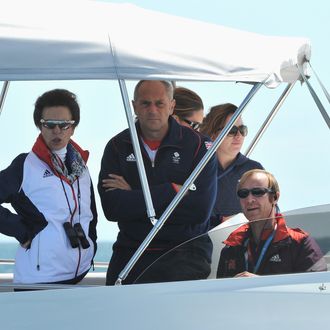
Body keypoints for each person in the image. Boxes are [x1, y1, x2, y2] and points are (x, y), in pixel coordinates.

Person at [98, 80, 217, 285]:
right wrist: (172, 190)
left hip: (185, 251)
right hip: (132, 249)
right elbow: (113, 208)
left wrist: (133, 194)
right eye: (145, 103)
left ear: (171, 106)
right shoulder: (118, 146)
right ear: (134, 106)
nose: (152, 110)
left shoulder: (199, 146)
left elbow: (199, 210)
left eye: (159, 103)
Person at [0, 89, 97, 284]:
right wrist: (22, 231)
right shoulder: (25, 166)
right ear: (39, 126)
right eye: (49, 124)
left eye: (64, 124)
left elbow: (89, 214)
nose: (57, 131)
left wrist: (92, 241)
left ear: (73, 127)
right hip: (39, 279)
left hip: (79, 273)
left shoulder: (81, 167)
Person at [217, 169, 327, 278]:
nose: (249, 199)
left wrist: (261, 284)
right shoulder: (231, 248)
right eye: (243, 194)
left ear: (275, 197)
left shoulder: (300, 243)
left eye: (258, 192)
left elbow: (317, 289)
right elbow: (217, 293)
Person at [200, 103, 263, 227]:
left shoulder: (254, 171)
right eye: (232, 130)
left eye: (242, 130)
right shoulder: (197, 169)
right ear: (213, 134)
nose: (238, 135)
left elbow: (271, 211)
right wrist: (223, 221)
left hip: (246, 242)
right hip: (204, 242)